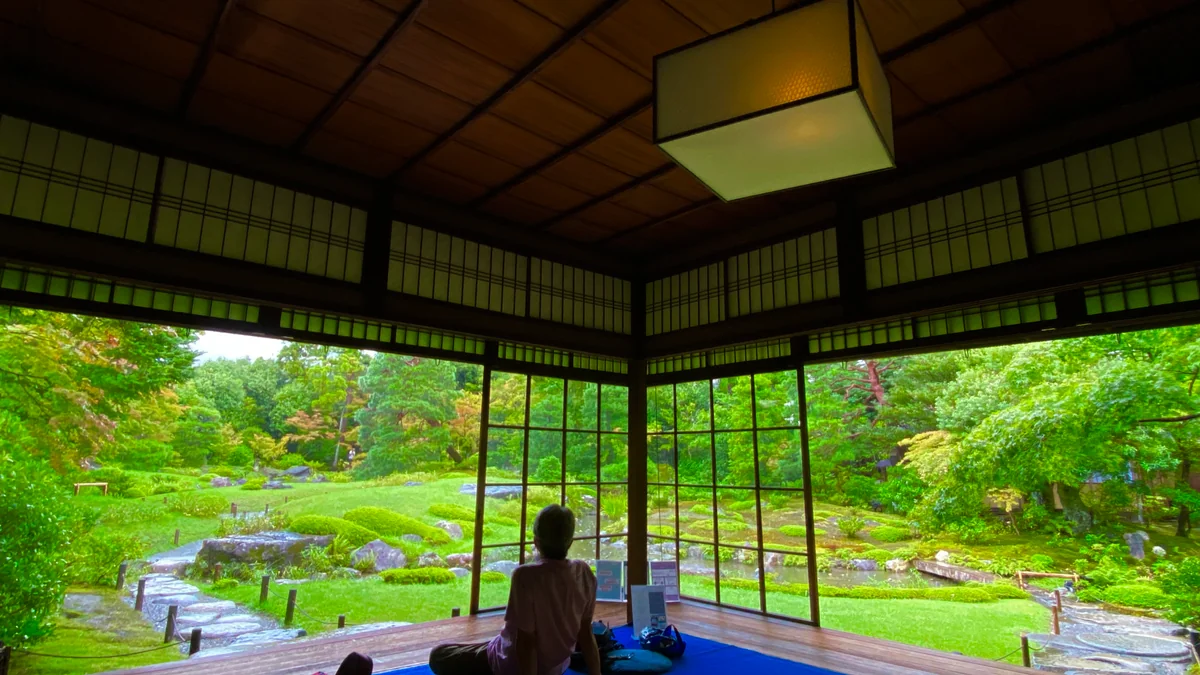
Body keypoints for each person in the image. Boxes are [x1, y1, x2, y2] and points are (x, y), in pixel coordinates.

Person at [429, 504, 601, 675]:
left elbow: (526, 641)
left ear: (536, 542)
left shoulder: (526, 576)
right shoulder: (583, 571)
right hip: (556, 667)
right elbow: (586, 632)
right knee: (491, 644)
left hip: (510, 664)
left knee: (439, 654)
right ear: (570, 542)